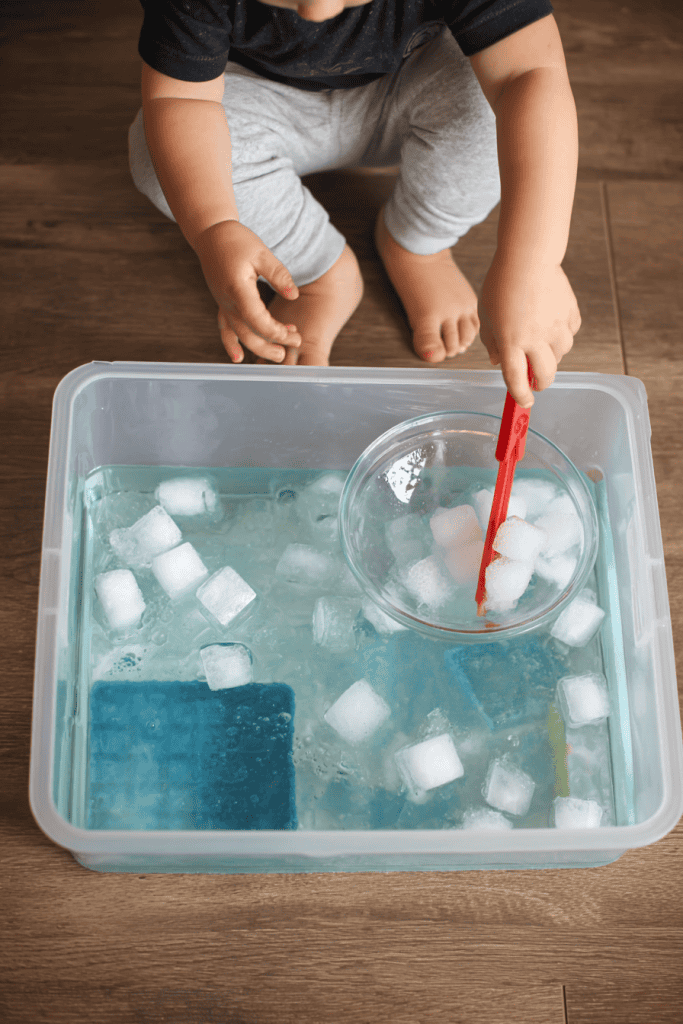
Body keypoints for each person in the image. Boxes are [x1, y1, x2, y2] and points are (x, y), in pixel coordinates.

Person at [128, 0, 581, 407]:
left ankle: (419, 243)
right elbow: (181, 98)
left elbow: (527, 73)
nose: (317, 10)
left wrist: (535, 263)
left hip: (408, 89)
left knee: (504, 113)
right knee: (159, 160)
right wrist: (214, 226)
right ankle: (319, 269)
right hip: (253, 101)